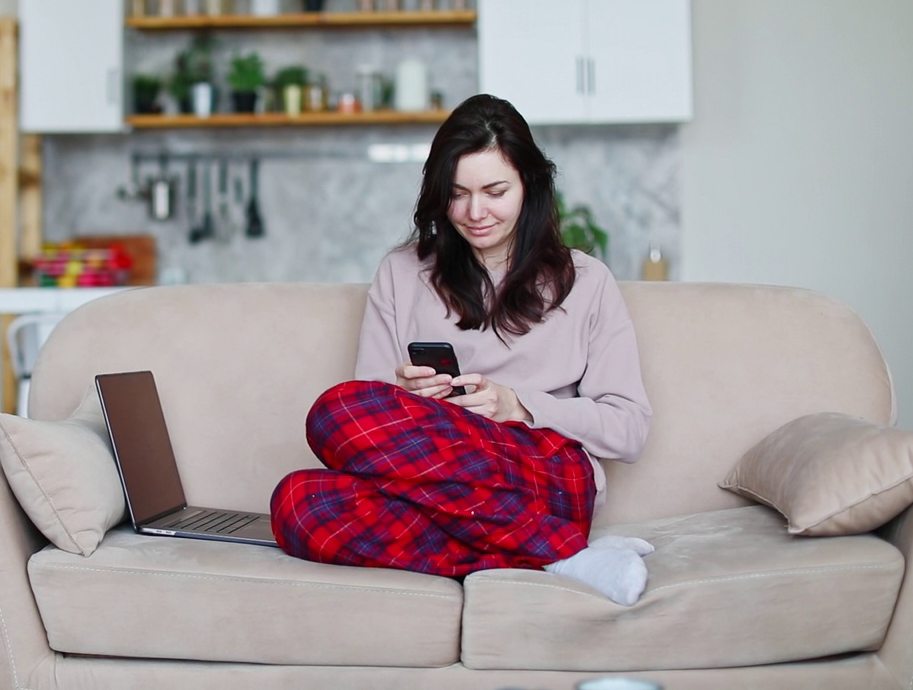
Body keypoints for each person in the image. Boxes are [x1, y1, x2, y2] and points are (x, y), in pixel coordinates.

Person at [269, 94, 654, 606]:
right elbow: (360, 425)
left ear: (529, 185)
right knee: (297, 500)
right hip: (434, 478)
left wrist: (520, 406)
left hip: (544, 473)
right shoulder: (402, 272)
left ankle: (549, 541)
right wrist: (409, 399)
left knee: (332, 410)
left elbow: (628, 429)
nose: (476, 213)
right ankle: (561, 556)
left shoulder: (586, 280)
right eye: (458, 194)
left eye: (495, 191)